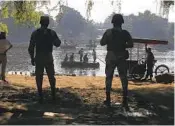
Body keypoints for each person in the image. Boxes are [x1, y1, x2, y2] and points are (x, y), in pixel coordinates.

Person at [100, 14, 133, 108]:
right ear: (121, 23)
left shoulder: (108, 32)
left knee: (108, 77)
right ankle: (125, 100)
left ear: (113, 23)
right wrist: (123, 45)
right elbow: (131, 44)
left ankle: (108, 99)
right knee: (123, 77)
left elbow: (102, 43)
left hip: (110, 56)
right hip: (121, 56)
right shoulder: (125, 33)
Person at [28, 15, 61, 103]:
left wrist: (32, 58)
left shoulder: (35, 33)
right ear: (48, 23)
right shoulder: (52, 33)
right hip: (48, 56)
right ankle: (53, 95)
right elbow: (58, 44)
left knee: (39, 77)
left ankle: (40, 96)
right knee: (51, 76)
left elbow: (31, 48)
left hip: (38, 57)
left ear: (40, 22)